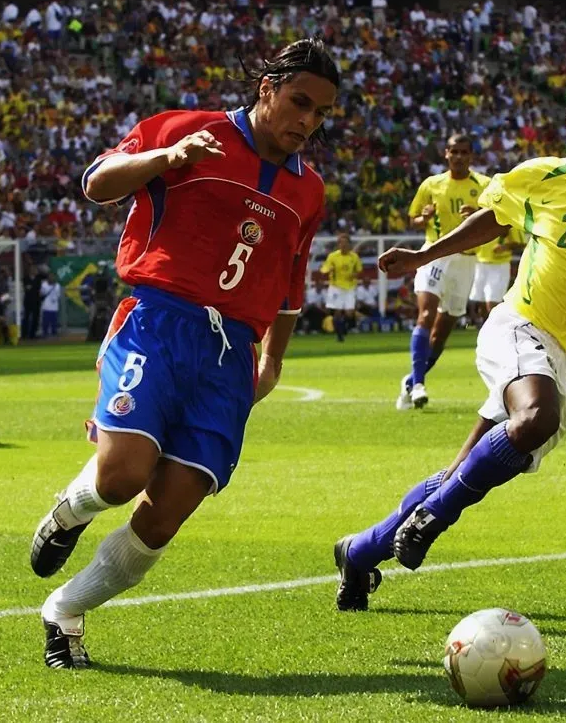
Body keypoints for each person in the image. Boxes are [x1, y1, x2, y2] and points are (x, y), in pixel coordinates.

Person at [332, 81, 566, 611]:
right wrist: (422, 257)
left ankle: (359, 552)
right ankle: (434, 520)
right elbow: (492, 218)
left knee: (463, 471)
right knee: (534, 418)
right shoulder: (542, 177)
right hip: (520, 324)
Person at [29, 39, 338, 669]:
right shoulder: (188, 131)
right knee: (121, 477)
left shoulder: (310, 191)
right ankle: (69, 511)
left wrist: (273, 360)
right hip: (158, 323)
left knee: (165, 516)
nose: (306, 121)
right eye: (299, 102)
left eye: (321, 113)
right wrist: (166, 156)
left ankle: (65, 610)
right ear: (267, 89)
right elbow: (96, 182)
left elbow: (291, 278)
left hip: (233, 354)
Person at [398, 134, 491, 410]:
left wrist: (477, 213)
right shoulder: (432, 184)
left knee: (441, 334)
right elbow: (413, 220)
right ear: (446, 154)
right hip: (435, 255)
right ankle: (418, 386)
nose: (459, 157)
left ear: (471, 156)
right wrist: (422, 219)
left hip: (466, 261)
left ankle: (413, 379)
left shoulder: (484, 185)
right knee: (426, 315)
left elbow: (496, 218)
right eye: (454, 151)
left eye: (464, 152)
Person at [469, 229, 524, 319]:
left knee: (492, 304)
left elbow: (521, 243)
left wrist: (505, 247)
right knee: (481, 306)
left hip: (499, 266)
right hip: (480, 264)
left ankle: (498, 328)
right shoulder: (481, 221)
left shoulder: (506, 220)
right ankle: (486, 331)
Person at [320, 232, 361, 341]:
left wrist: (354, 275)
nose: (343, 245)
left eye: (345, 243)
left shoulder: (354, 257)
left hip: (350, 287)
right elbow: (324, 269)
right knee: (337, 311)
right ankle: (340, 335)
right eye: (341, 243)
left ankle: (343, 328)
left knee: (349, 313)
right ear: (338, 244)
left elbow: (359, 271)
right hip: (336, 287)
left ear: (349, 245)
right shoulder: (332, 256)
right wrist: (328, 270)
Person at [40, 272, 62, 337]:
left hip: (54, 307)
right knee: (45, 322)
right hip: (46, 306)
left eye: (53, 277)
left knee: (54, 322)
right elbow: (42, 293)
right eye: (50, 277)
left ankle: (54, 333)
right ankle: (45, 333)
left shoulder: (57, 285)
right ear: (48, 278)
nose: (52, 278)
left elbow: (58, 295)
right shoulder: (44, 284)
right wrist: (50, 287)